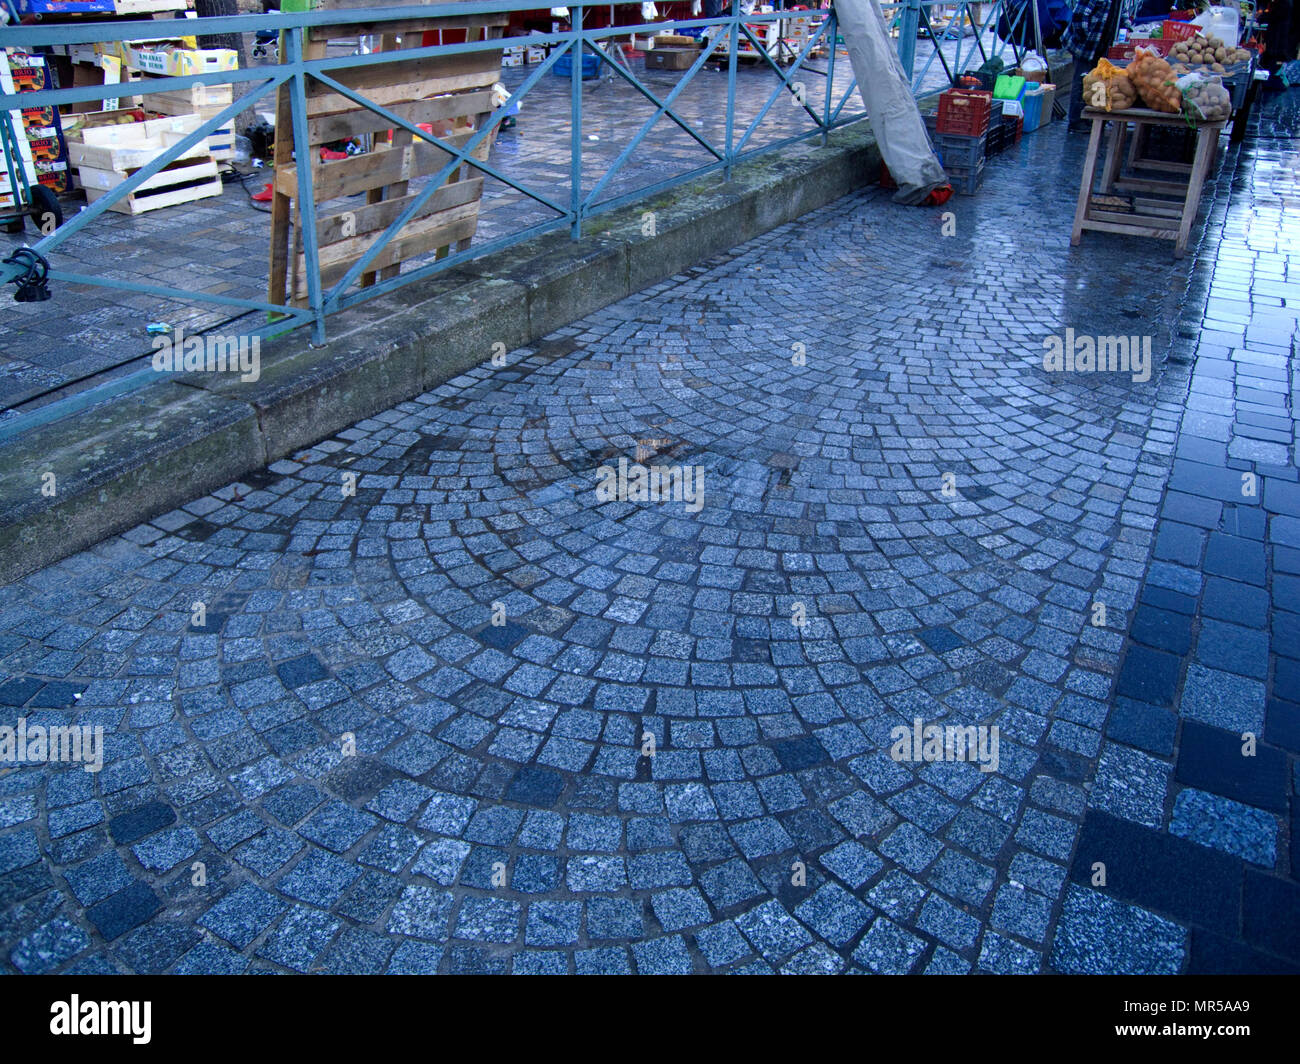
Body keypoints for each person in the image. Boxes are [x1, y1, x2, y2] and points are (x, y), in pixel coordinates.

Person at [1063, 0, 1138, 130]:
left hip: (1101, 46)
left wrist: (1127, 29)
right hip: (1085, 46)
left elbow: (1123, 13)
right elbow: (1079, 17)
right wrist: (1087, 37)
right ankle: (1076, 122)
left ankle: (1093, 119)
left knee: (1099, 81)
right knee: (1081, 81)